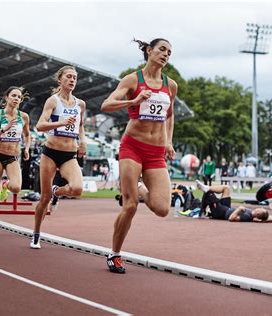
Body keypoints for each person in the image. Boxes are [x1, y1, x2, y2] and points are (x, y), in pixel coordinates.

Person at [100, 38, 178, 273]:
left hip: (155, 153)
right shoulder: (133, 79)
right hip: (132, 147)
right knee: (130, 205)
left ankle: (141, 188)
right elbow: (106, 104)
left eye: (169, 52)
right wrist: (133, 100)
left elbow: (169, 114)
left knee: (162, 208)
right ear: (149, 50)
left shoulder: (170, 85)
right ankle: (114, 254)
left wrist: (168, 140)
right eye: (162, 49)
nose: (166, 54)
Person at [30, 65, 86, 249]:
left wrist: (83, 142)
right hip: (51, 152)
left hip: (69, 154)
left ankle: (57, 191)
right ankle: (36, 234)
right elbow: (39, 125)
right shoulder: (53, 101)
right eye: (68, 77)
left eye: (75, 78)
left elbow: (81, 125)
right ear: (60, 79)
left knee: (77, 189)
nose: (72, 80)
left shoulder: (80, 104)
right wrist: (60, 122)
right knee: (44, 199)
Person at [0, 86, 31, 235]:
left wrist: (27, 148)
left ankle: (6, 184)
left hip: (13, 157)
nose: (17, 98)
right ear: (7, 97)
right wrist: (3, 130)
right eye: (14, 96)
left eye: (19, 97)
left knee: (16, 188)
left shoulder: (24, 117)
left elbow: (27, 135)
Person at [196, 180, 272, 222]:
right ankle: (207, 187)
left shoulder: (247, 217)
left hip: (221, 213)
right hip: (227, 208)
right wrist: (264, 219)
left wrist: (238, 210)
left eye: (261, 209)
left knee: (208, 193)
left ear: (258, 213)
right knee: (226, 188)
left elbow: (231, 218)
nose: (261, 207)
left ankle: (201, 212)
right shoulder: (255, 215)